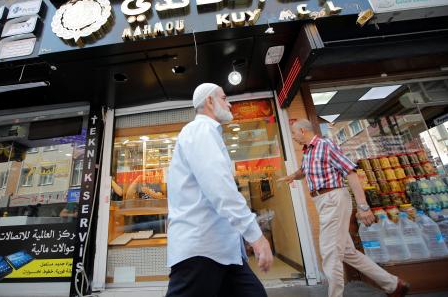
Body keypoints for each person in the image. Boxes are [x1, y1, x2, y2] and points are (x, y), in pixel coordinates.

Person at [278, 119, 409, 297]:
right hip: (323, 201)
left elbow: (351, 172)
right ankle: (393, 285)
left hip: (333, 199)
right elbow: (304, 170)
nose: (293, 137)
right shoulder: (309, 151)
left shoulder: (325, 145)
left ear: (302, 130)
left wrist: (363, 206)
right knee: (348, 252)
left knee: (330, 253)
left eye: (293, 133)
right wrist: (292, 176)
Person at [165, 83, 273, 297]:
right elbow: (221, 190)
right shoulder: (200, 130)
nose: (230, 103)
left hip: (223, 252)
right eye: (224, 98)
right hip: (201, 249)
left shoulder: (207, 133)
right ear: (210, 101)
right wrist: (256, 237)